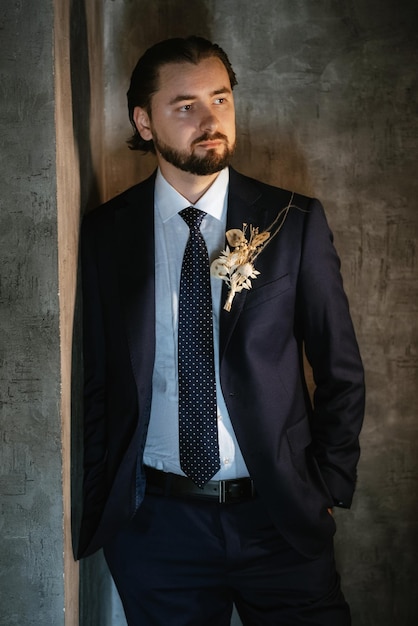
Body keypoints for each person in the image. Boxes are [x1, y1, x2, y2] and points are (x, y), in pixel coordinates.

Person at [77, 36, 365, 626]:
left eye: (221, 99)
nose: (211, 120)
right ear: (145, 121)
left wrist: (327, 487)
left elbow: (340, 369)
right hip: (156, 529)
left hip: (279, 520)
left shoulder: (293, 222)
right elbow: (97, 381)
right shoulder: (107, 234)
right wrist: (105, 504)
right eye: (186, 106)